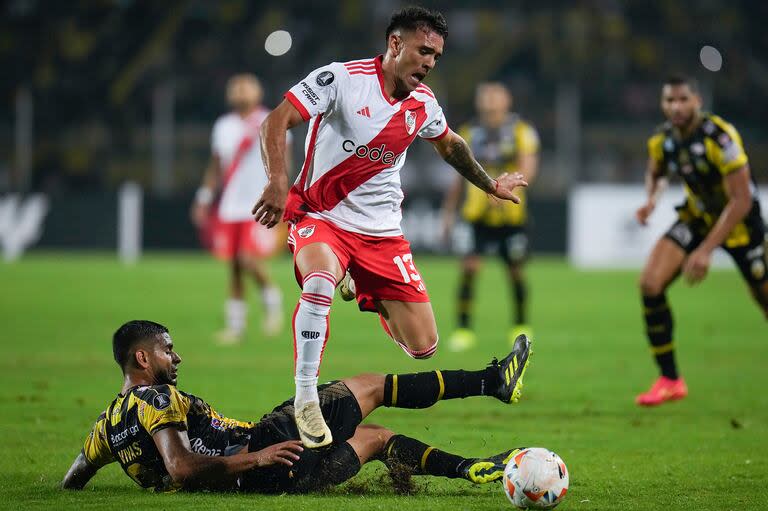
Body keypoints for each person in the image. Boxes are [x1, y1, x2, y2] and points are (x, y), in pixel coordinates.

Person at [251, 6, 530, 448]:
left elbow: (452, 146)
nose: (430, 63)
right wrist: (277, 181)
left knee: (424, 347)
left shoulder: (423, 104)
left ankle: (363, 289)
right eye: (424, 51)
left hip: (381, 235)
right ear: (395, 44)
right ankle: (306, 396)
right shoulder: (341, 79)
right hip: (321, 217)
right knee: (320, 281)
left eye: (436, 56)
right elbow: (276, 120)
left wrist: (490, 184)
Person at [62, 320, 532, 494]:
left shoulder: (107, 426)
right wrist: (257, 456)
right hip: (262, 451)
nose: (176, 357)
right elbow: (181, 468)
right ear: (141, 359)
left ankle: (473, 468)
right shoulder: (153, 397)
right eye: (167, 349)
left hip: (271, 478)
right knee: (369, 386)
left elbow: (77, 472)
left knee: (376, 439)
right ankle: (494, 380)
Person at [635, 74, 768, 406]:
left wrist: (707, 250)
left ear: (698, 101)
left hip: (740, 224)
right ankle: (669, 380)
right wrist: (651, 199)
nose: (676, 107)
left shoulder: (720, 138)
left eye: (683, 100)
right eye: (669, 100)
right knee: (650, 284)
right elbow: (657, 172)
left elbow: (741, 200)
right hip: (697, 217)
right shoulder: (663, 140)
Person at [441, 82, 540, 352]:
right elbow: (457, 178)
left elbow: (528, 169)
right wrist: (448, 212)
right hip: (476, 214)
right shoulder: (468, 133)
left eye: (495, 96)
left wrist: (506, 190)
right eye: (485, 97)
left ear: (507, 100)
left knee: (516, 271)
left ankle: (520, 326)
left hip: (511, 215)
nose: (490, 102)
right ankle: (463, 329)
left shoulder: (522, 132)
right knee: (469, 269)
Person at [191, 74, 287, 344]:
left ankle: (272, 301)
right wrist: (205, 196)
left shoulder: (271, 119)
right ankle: (236, 326)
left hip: (259, 202)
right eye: (235, 87)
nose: (240, 91)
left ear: (258, 91)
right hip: (230, 205)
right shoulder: (224, 126)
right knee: (233, 265)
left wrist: (284, 195)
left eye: (245, 86)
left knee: (247, 258)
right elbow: (216, 165)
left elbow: (285, 159)